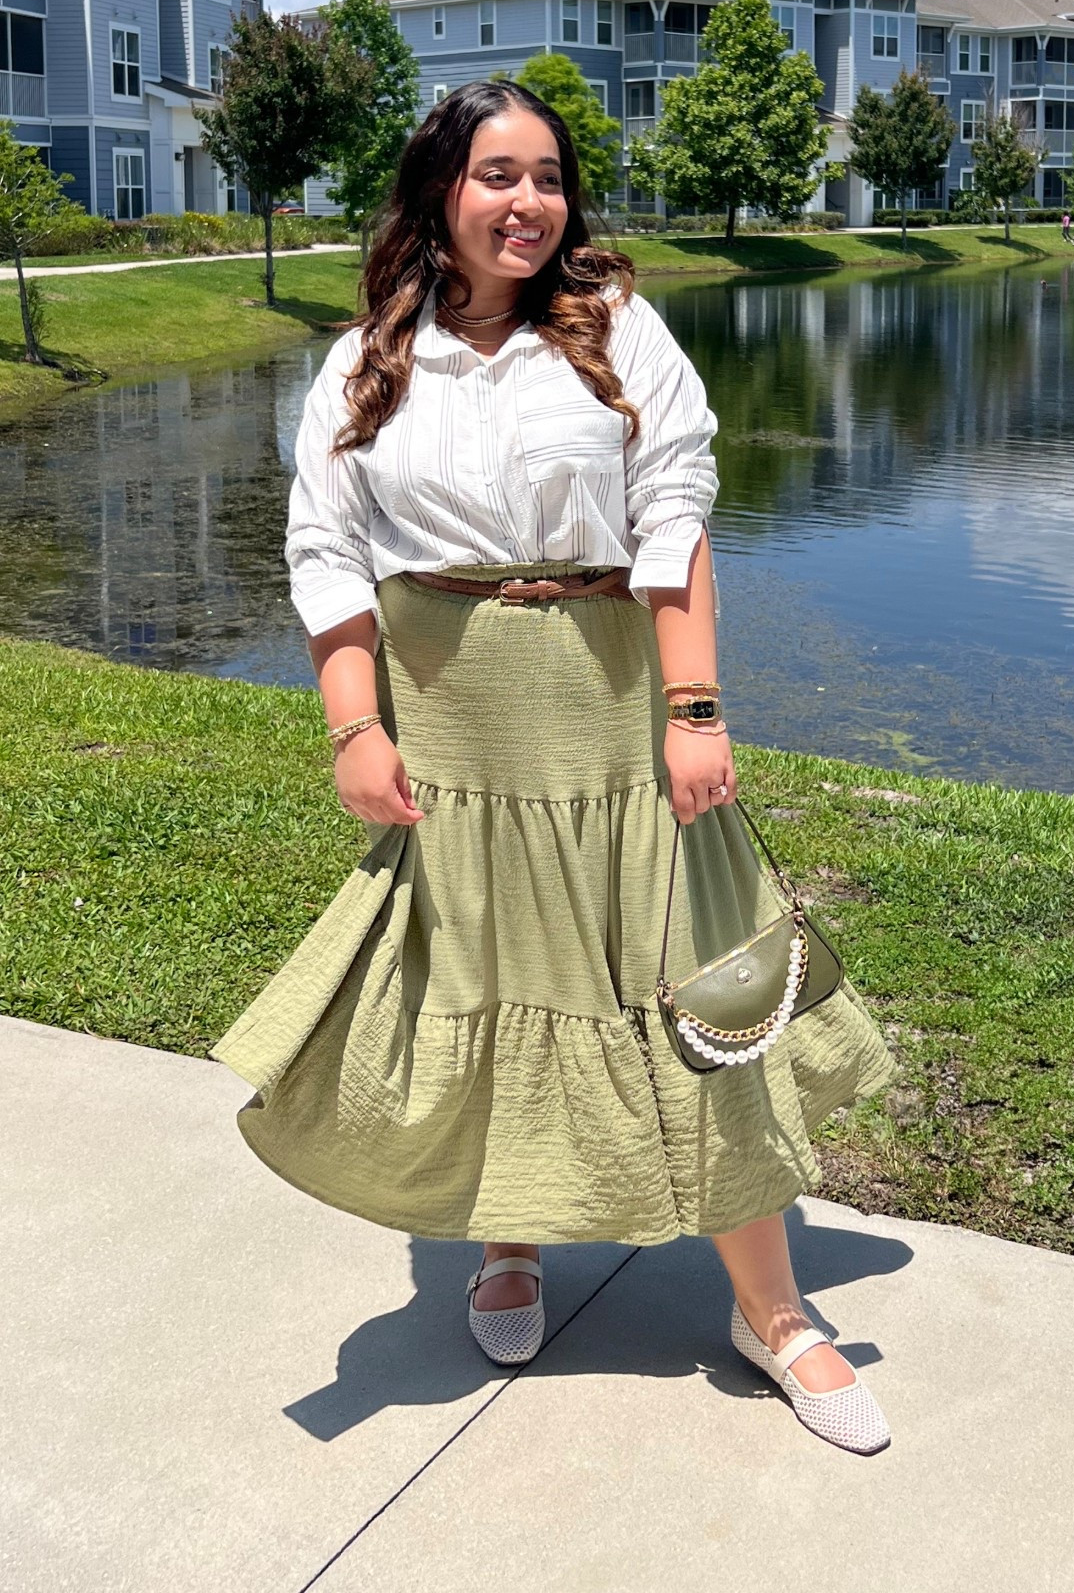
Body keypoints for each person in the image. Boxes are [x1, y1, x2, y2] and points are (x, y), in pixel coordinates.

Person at [212, 80, 896, 1453]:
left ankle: (772, 1317)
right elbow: (324, 553)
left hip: (610, 698)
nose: (525, 202)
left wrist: (693, 707)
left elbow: (677, 513)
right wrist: (355, 726)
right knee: (488, 970)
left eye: (546, 176)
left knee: (689, 995)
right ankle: (507, 1241)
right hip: (447, 711)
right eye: (494, 174)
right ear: (437, 193)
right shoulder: (364, 361)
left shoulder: (619, 333)